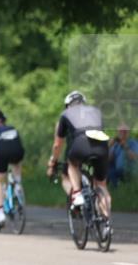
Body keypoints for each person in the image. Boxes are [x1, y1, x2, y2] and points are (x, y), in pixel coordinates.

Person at [46, 91, 111, 220]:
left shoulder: (66, 114)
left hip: (79, 146)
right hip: (101, 146)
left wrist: (53, 162)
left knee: (71, 165)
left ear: (68, 106)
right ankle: (106, 223)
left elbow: (57, 144)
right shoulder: (95, 111)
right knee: (101, 185)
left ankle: (77, 194)